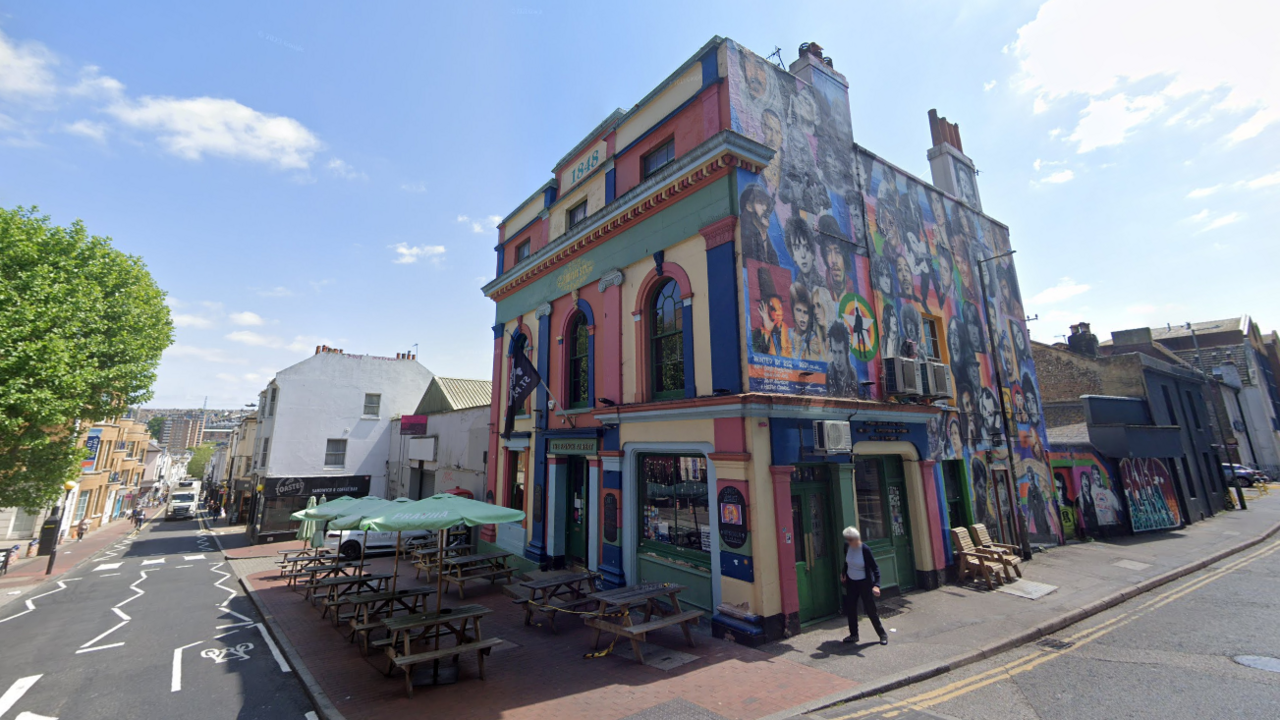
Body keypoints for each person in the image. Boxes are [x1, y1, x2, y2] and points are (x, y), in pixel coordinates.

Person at [839, 527, 888, 645]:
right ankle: (854, 635)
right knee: (851, 608)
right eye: (849, 540)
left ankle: (882, 634)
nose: (851, 542)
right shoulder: (847, 547)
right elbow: (847, 562)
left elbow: (875, 568)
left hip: (864, 582)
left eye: (852, 540)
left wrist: (876, 585)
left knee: (870, 609)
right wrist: (843, 573)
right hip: (851, 582)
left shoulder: (865, 549)